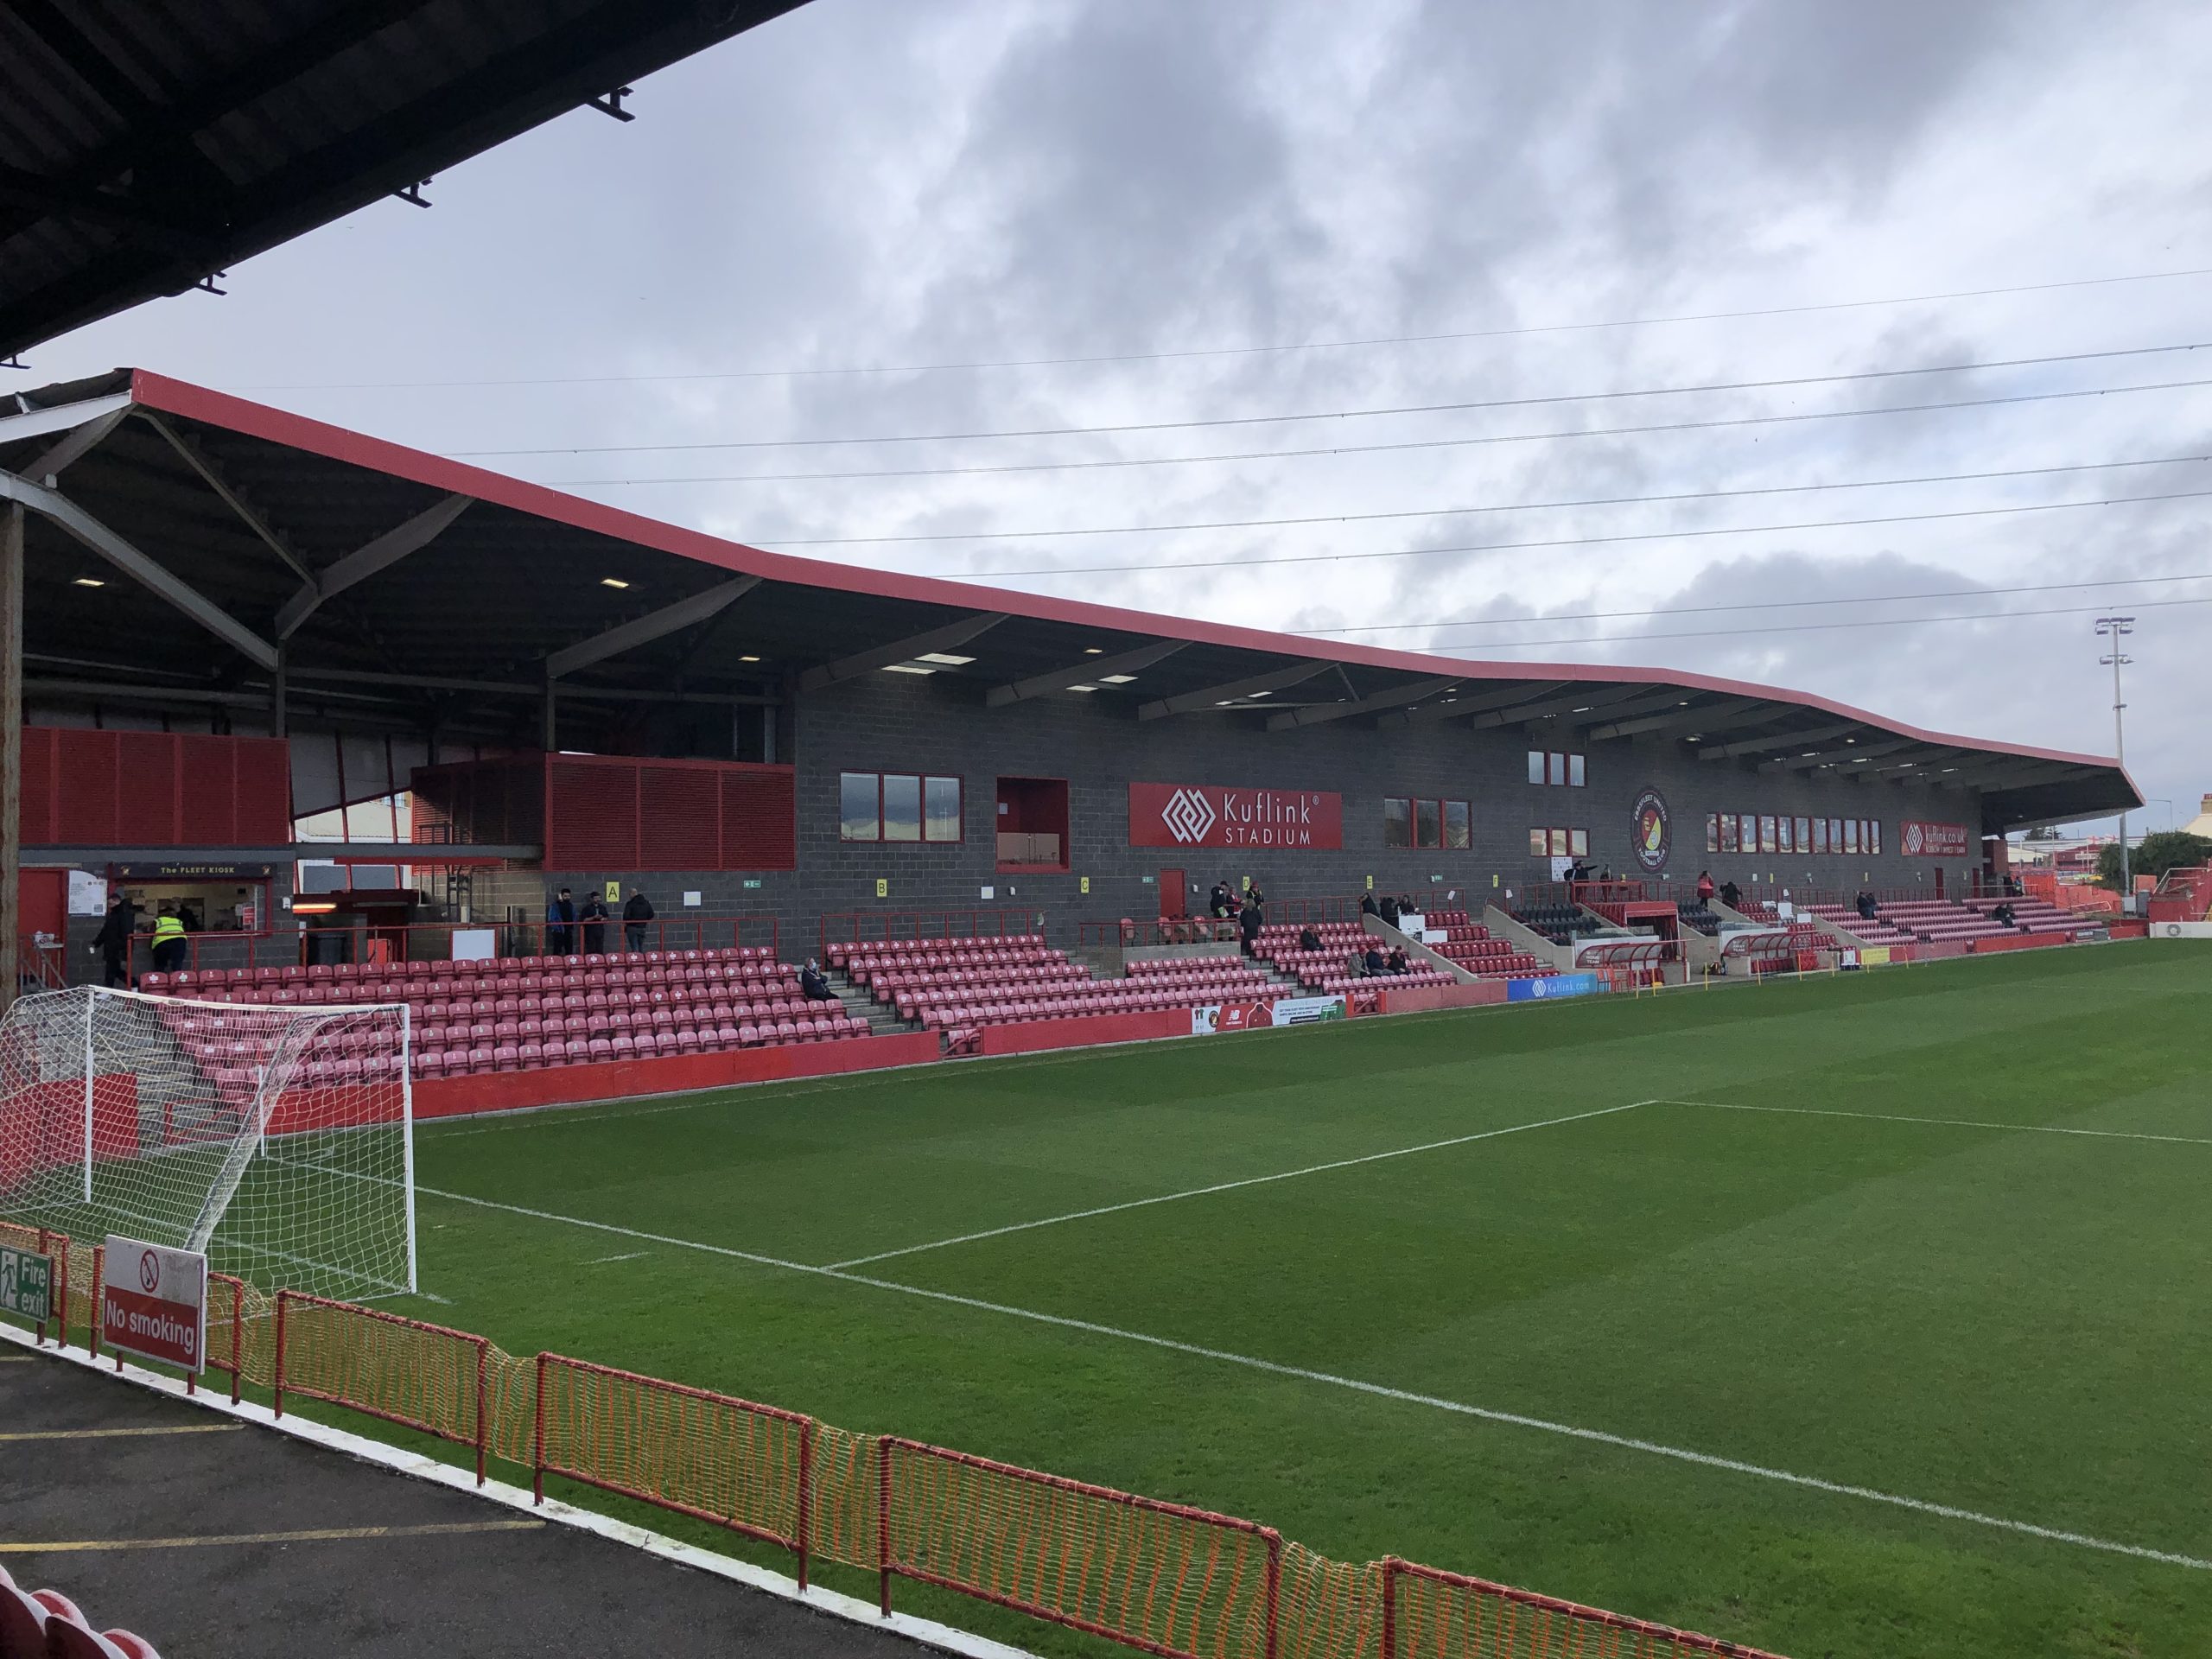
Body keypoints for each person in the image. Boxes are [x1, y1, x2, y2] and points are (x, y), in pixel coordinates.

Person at [89, 889, 134, 988]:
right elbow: (106, 931)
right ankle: (134, 984)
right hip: (112, 947)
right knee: (114, 970)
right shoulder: (114, 914)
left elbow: (125, 931)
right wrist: (96, 943)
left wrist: (121, 946)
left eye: (110, 902)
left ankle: (109, 990)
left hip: (117, 947)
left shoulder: (123, 913)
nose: (109, 905)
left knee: (112, 969)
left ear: (116, 901)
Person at [149, 906, 188, 975]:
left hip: (162, 942)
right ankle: (176, 980)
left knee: (160, 965)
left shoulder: (158, 920)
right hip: (180, 941)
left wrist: (151, 947)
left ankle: (160, 979)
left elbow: (151, 934)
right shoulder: (178, 921)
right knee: (177, 965)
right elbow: (184, 930)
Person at [545, 887, 576, 957]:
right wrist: (556, 928)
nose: (567, 898)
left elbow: (574, 916)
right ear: (562, 896)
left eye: (568, 896)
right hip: (559, 930)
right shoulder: (555, 906)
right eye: (565, 896)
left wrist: (572, 925)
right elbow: (552, 918)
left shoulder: (571, 905)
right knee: (557, 949)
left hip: (568, 930)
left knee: (569, 949)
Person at [623, 886, 655, 952]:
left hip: (632, 928)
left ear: (631, 894)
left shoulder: (630, 904)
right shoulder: (646, 903)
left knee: (635, 947)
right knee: (640, 947)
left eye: (629, 894)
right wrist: (644, 920)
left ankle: (636, 961)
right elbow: (651, 914)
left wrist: (630, 922)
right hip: (642, 927)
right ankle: (640, 960)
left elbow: (626, 916)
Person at [579, 891, 609, 955]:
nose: (597, 900)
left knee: (600, 948)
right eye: (596, 898)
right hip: (590, 931)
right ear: (591, 899)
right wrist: (593, 917)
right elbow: (583, 920)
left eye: (599, 898)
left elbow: (607, 917)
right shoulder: (586, 909)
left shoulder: (602, 908)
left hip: (600, 930)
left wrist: (603, 919)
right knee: (591, 948)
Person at [1238, 893, 1263, 957]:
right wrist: (1257, 924)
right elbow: (1260, 919)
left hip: (1248, 928)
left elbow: (1242, 919)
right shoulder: (1256, 910)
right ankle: (1253, 953)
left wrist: (1244, 925)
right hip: (1255, 928)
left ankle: (1246, 952)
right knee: (1254, 941)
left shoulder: (1245, 911)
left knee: (1247, 941)